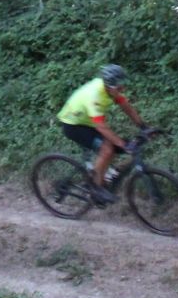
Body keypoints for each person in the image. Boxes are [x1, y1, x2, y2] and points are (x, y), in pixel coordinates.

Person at [56, 64, 148, 201]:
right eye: (119, 86)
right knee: (108, 149)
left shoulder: (110, 90)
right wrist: (122, 144)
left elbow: (126, 107)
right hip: (73, 124)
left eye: (123, 84)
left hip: (88, 122)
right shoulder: (95, 95)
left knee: (116, 147)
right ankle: (95, 188)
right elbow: (100, 126)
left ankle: (104, 175)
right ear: (110, 85)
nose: (123, 88)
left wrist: (143, 126)